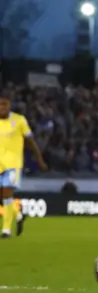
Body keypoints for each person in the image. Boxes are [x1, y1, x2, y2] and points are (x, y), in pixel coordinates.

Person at [0, 91, 47, 238]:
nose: (2, 107)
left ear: (10, 105)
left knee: (7, 194)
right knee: (2, 197)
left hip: (13, 164)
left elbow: (31, 141)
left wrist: (39, 158)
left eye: (4, 104)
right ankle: (19, 215)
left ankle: (6, 230)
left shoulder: (19, 120)